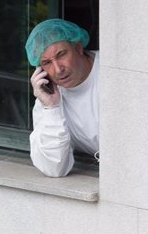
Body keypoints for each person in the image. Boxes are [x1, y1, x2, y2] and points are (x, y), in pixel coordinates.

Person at [25, 19, 99, 177]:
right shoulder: (49, 99)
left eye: (61, 54)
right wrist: (52, 108)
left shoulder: (112, 69)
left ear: (78, 47)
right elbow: (54, 168)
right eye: (47, 63)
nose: (58, 69)